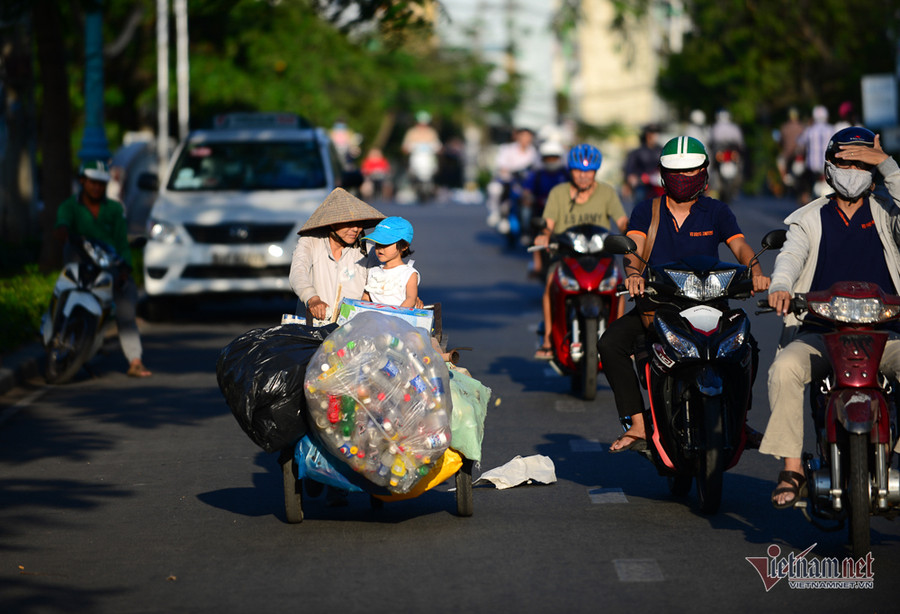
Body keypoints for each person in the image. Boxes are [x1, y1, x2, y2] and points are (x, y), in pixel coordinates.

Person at [598, 136, 770, 452]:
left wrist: (756, 273)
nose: (683, 179)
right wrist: (634, 274)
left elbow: (740, 245)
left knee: (748, 347)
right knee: (610, 344)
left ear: (704, 172)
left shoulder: (717, 211)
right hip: (658, 307)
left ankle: (739, 419)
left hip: (712, 305)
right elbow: (632, 247)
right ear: (663, 175)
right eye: (676, 173)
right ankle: (638, 425)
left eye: (691, 172)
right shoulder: (645, 211)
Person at [761, 127, 900, 508]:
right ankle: (792, 467)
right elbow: (790, 256)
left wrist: (887, 164)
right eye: (844, 162)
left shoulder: (889, 214)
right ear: (828, 168)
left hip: (887, 335)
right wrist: (782, 285)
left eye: (861, 162)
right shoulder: (809, 217)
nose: (852, 169)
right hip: (822, 333)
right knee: (784, 369)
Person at [54, 160, 151, 378]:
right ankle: (55, 331)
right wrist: (63, 231)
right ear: (82, 181)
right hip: (80, 267)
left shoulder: (115, 209)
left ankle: (135, 360)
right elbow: (61, 226)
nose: (97, 187)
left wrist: (125, 269)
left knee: (126, 306)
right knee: (62, 288)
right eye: (92, 182)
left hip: (109, 266)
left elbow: (122, 244)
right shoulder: (69, 206)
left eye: (101, 183)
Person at [533, 144, 628, 359]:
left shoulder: (607, 192)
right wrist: (544, 234)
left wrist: (631, 232)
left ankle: (619, 336)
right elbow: (548, 223)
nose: (583, 176)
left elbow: (622, 221)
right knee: (550, 283)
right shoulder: (558, 193)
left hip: (600, 255)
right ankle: (549, 338)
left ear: (595, 171)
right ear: (570, 170)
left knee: (619, 285)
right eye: (578, 171)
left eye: (588, 171)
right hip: (567, 255)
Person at [289, 187, 386, 326]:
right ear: (333, 223)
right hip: (312, 328)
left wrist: (408, 295)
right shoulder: (309, 242)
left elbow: (386, 281)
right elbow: (298, 273)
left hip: (352, 331)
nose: (356, 229)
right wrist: (312, 298)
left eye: (359, 224)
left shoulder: (368, 252)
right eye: (349, 223)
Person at [521, 141, 570, 276]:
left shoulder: (567, 174)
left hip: (563, 213)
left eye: (554, 158)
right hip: (540, 210)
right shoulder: (536, 174)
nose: (551, 161)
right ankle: (536, 262)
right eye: (548, 158)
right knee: (536, 232)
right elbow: (526, 191)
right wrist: (528, 198)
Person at [486, 127, 540, 230]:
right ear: (517, 136)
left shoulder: (534, 152)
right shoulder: (507, 149)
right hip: (508, 181)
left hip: (526, 183)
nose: (525, 139)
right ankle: (496, 213)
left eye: (528, 137)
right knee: (494, 189)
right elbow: (501, 166)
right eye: (523, 136)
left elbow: (537, 167)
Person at [361, 217, 419, 308]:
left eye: (385, 244)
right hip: (374, 318)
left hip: (398, 318)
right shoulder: (373, 271)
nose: (380, 248)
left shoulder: (409, 273)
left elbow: (411, 299)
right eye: (377, 243)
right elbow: (366, 297)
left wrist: (395, 315)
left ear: (404, 246)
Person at [795, 105, 833, 203]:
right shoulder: (832, 129)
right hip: (828, 167)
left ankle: (804, 197)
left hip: (812, 169)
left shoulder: (809, 131)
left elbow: (799, 144)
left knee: (802, 183)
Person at [622, 124, 663, 204]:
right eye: (651, 133)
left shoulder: (661, 150)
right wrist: (628, 181)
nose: (654, 136)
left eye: (655, 133)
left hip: (658, 185)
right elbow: (629, 168)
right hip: (641, 184)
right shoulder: (637, 152)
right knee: (640, 202)